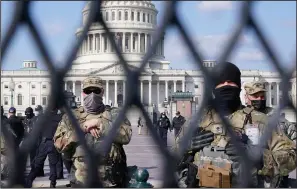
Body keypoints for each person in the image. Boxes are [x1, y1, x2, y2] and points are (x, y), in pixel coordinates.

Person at [175, 62, 296, 188]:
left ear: (239, 86)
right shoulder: (196, 121)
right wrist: (186, 147)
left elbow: (292, 158)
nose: (226, 86)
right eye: (221, 83)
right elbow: (172, 160)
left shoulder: (260, 120)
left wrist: (260, 156)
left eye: (231, 82)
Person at [53, 76, 132, 187]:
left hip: (111, 179)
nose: (92, 94)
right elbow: (59, 145)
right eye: (88, 91)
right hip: (81, 178)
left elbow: (126, 136)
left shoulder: (115, 114)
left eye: (96, 91)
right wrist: (83, 128)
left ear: (102, 92)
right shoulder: (71, 117)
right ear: (83, 93)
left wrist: (101, 124)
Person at [244, 81, 297, 187]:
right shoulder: (239, 118)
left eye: (262, 96)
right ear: (246, 97)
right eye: (255, 96)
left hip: (276, 180)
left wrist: (272, 157)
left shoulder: (278, 119)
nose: (259, 99)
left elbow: (294, 147)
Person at [26, 107, 62, 188]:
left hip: (44, 142)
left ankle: (29, 179)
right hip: (53, 142)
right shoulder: (59, 118)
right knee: (53, 164)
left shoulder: (43, 118)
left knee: (37, 164)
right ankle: (53, 182)